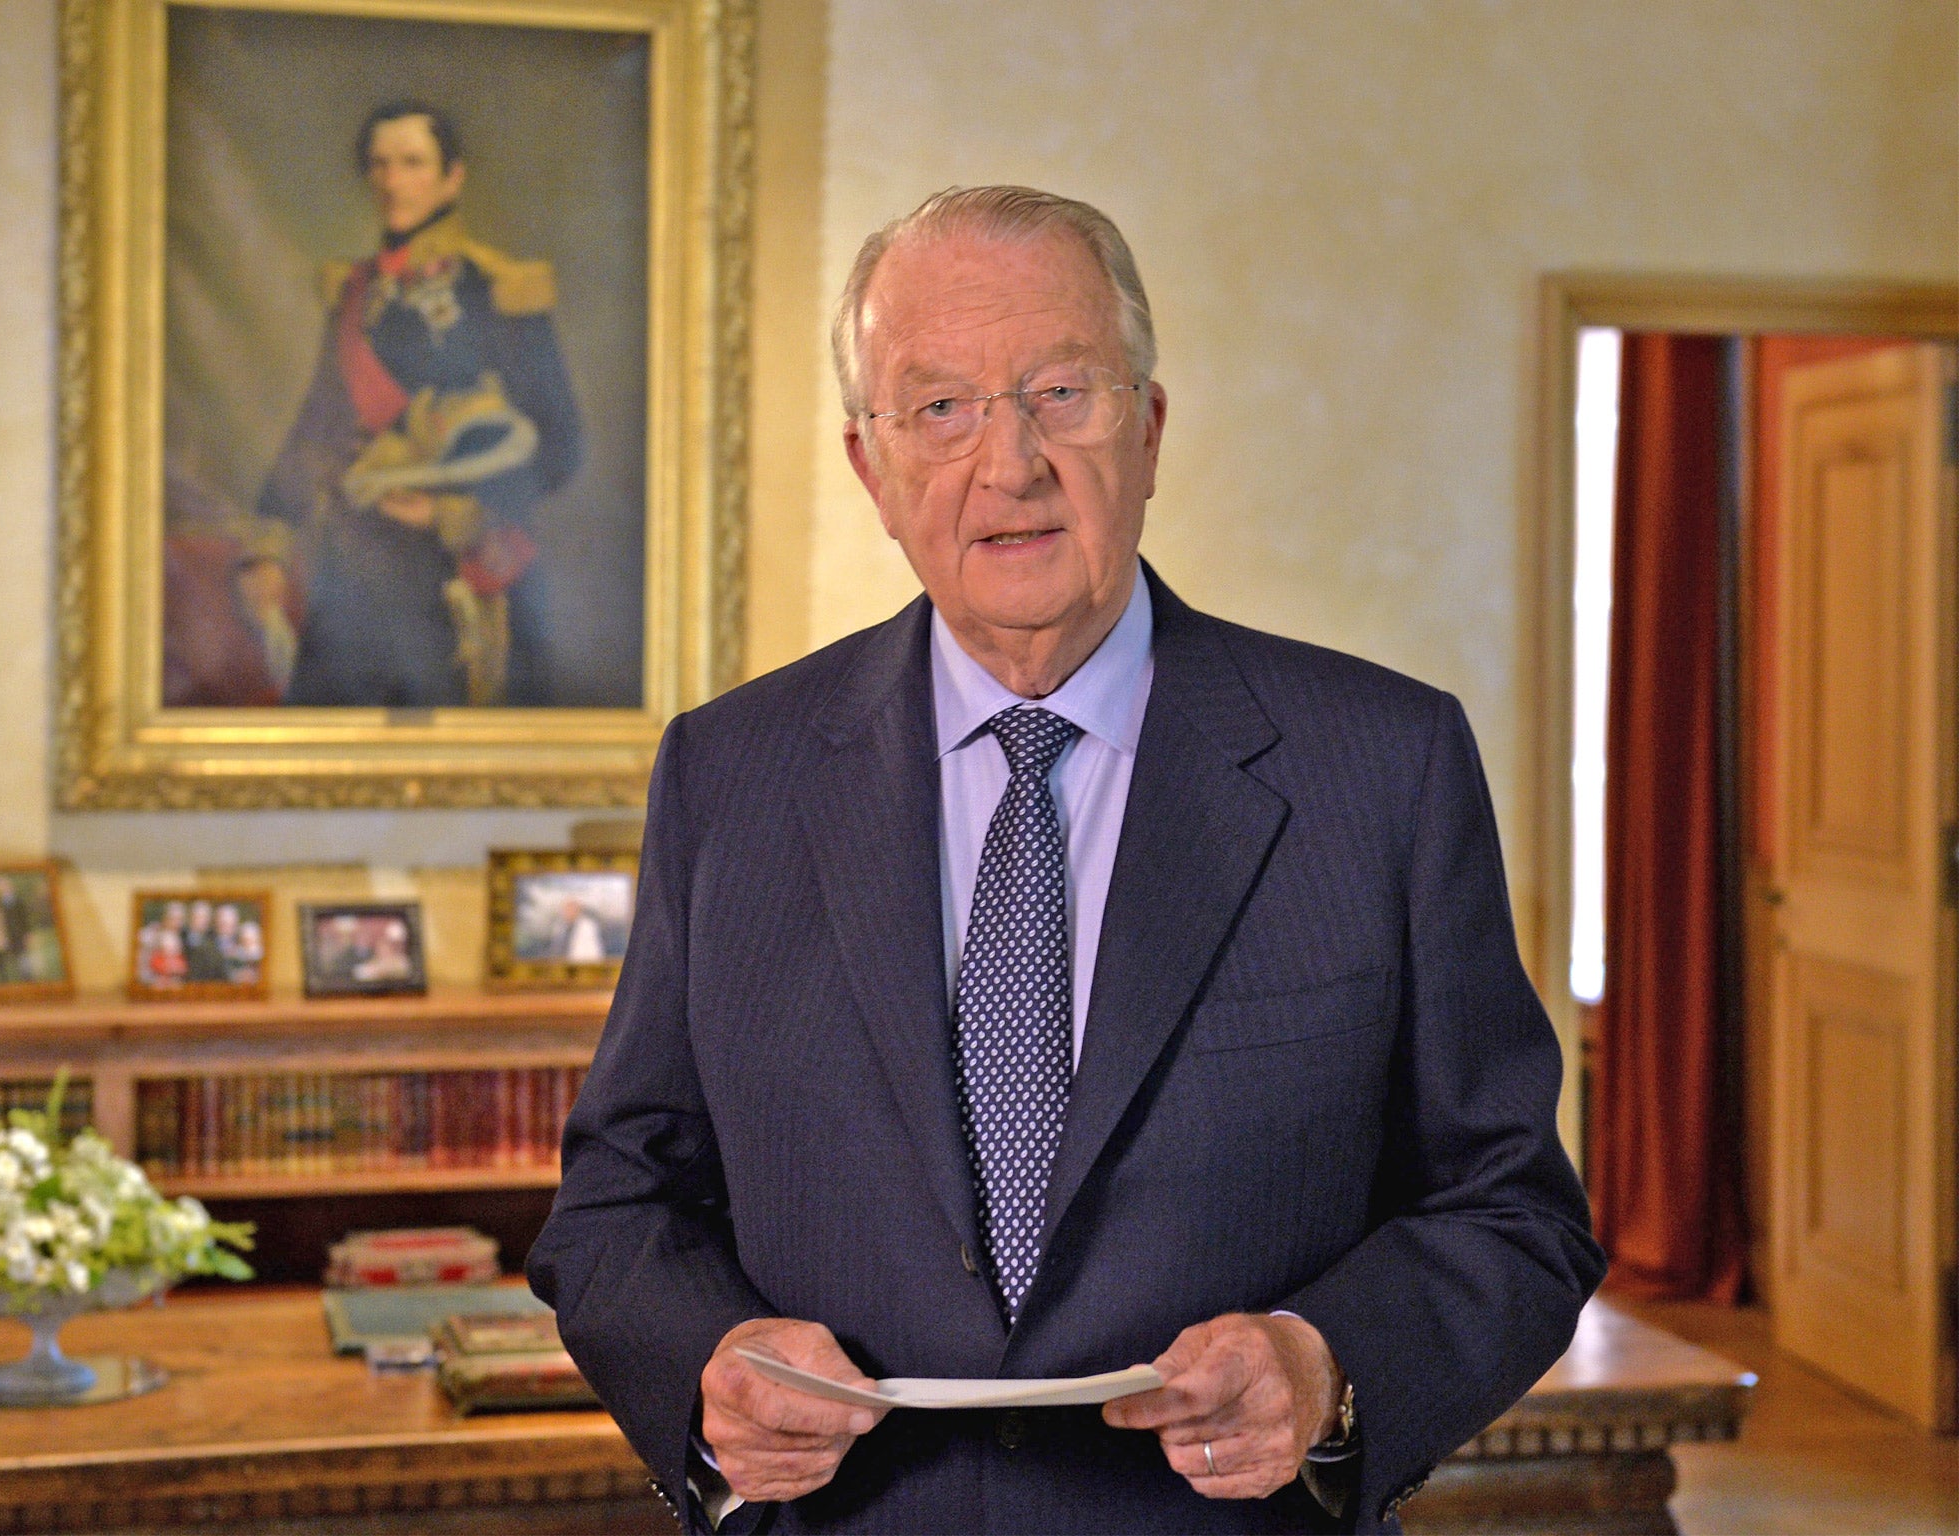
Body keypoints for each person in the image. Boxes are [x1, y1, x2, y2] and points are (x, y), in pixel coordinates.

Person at [528, 186, 1602, 1534]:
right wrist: (706, 1364)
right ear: (870, 466)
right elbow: (620, 1201)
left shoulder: (1381, 765)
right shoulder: (728, 775)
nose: (1009, 462)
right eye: (940, 409)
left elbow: (1514, 1214)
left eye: (1060, 392)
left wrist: (1326, 1368)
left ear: (1148, 431)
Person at [253, 100, 583, 707]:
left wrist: (449, 512)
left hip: (458, 578)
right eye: (379, 165)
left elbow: (560, 443)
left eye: (412, 163)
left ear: (451, 177)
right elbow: (316, 427)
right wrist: (272, 544)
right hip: (351, 573)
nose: (392, 181)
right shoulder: (355, 292)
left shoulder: (499, 288)